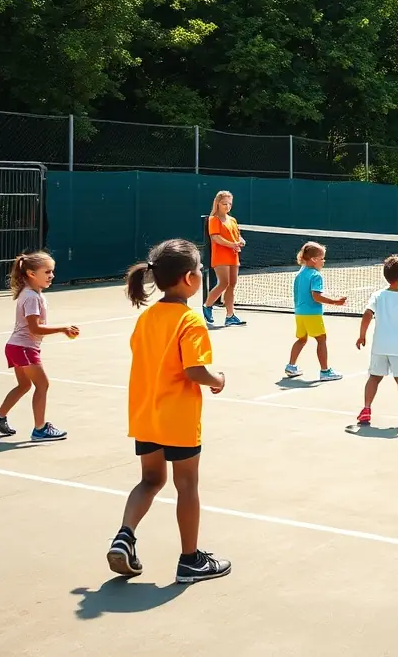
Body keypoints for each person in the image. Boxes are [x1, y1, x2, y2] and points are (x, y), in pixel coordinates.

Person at [107, 238, 231, 584]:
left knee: (150, 480)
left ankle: (125, 536)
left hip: (146, 415)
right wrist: (217, 378)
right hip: (177, 417)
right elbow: (195, 370)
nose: (203, 274)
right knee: (186, 483)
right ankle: (190, 560)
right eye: (201, 270)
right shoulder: (190, 321)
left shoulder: (147, 318)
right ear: (189, 279)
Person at [0, 252, 79, 441]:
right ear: (32, 273)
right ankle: (40, 429)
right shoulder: (32, 297)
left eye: (52, 271)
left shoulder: (32, 294)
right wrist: (63, 328)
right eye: (47, 271)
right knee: (42, 384)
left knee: (25, 385)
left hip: (17, 346)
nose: (52, 275)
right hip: (24, 347)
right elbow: (35, 328)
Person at [356, 255, 398, 429]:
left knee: (374, 378)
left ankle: (366, 409)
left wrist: (362, 335)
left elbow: (367, 314)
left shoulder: (378, 295)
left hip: (379, 347)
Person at [284, 241, 344, 382]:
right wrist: (335, 302)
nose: (324, 261)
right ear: (314, 259)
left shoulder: (300, 273)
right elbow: (316, 296)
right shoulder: (316, 275)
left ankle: (291, 366)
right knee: (321, 339)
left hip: (299, 313)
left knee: (302, 339)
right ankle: (325, 371)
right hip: (311, 314)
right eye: (322, 258)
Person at [202, 191, 246, 328]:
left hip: (233, 255)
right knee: (224, 283)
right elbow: (215, 237)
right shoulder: (213, 219)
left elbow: (238, 236)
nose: (227, 207)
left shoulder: (232, 220)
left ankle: (230, 316)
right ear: (218, 204)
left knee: (231, 285)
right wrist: (231, 244)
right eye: (224, 204)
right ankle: (207, 306)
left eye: (229, 204)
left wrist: (240, 242)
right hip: (220, 256)